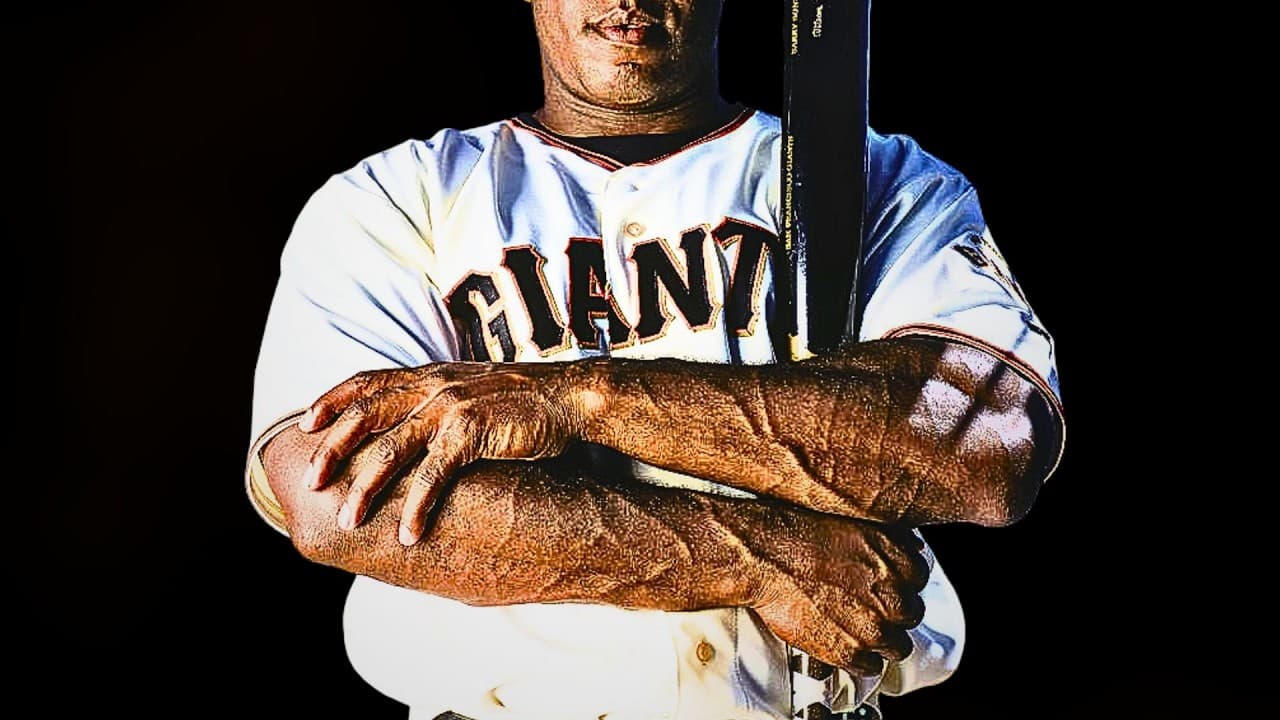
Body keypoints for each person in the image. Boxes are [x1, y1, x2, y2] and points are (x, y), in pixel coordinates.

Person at [245, 1, 1064, 718]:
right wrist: (758, 559)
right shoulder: (394, 202)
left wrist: (579, 398)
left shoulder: (884, 179)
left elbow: (982, 444)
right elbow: (338, 498)